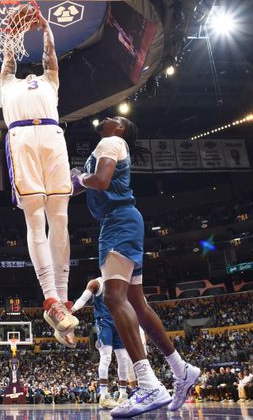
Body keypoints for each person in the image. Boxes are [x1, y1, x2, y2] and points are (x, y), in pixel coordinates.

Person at [71, 116, 200, 416]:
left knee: (115, 298)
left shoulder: (111, 142)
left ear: (121, 130)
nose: (109, 117)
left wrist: (79, 178)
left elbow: (99, 181)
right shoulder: (102, 149)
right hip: (123, 220)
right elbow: (83, 186)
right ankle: (181, 370)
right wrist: (71, 180)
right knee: (136, 304)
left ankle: (149, 385)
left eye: (117, 119)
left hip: (118, 222)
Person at [0, 5, 75, 346]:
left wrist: (46, 28)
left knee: (59, 219)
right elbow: (8, 61)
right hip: (22, 139)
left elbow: (50, 57)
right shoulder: (7, 83)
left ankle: (62, 300)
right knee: (36, 221)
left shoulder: (50, 79)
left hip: (51, 136)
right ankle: (50, 298)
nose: (32, 73)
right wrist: (12, 34)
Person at [71, 277, 141, 409]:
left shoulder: (121, 282)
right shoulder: (96, 283)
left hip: (120, 322)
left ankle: (123, 395)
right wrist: (72, 309)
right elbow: (83, 298)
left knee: (124, 359)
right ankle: (103, 396)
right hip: (104, 322)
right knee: (106, 357)